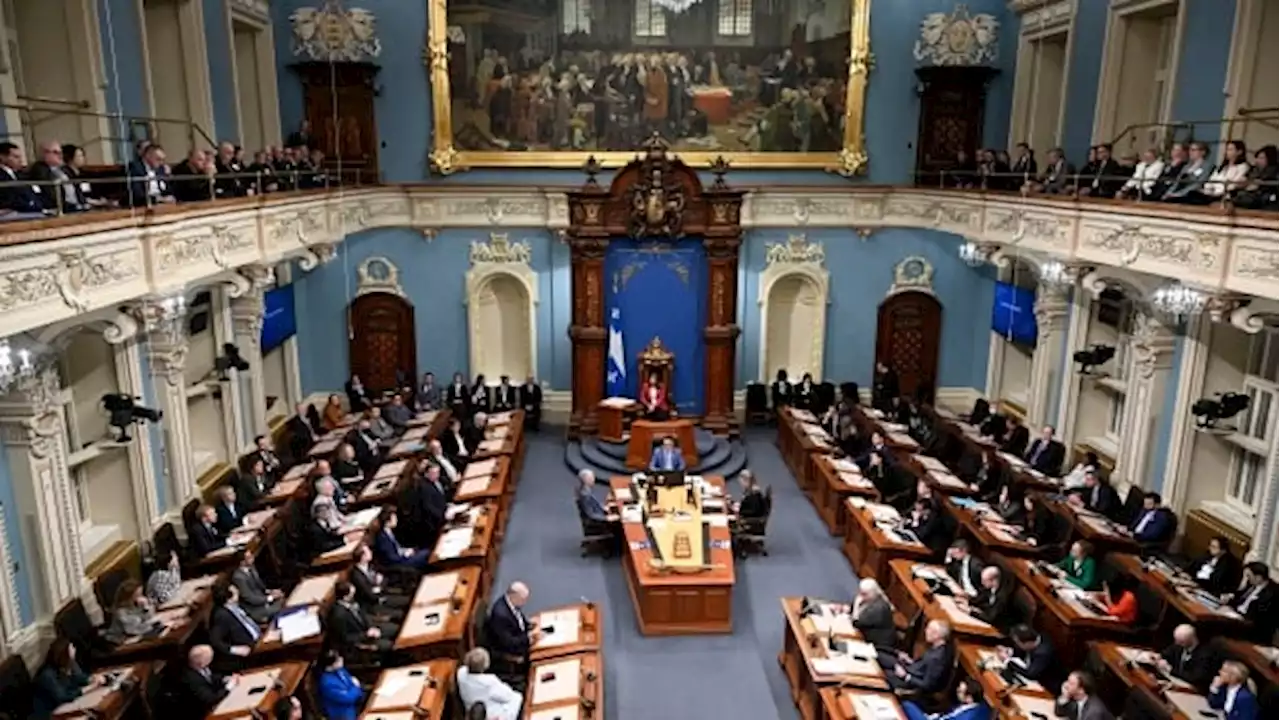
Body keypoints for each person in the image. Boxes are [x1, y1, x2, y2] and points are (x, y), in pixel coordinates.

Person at [879, 619, 953, 692]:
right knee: (884, 655)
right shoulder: (937, 647)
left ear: (937, 635)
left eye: (929, 629)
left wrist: (905, 676)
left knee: (882, 672)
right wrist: (910, 661)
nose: (925, 631)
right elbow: (924, 665)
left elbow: (927, 685)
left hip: (910, 682)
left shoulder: (937, 658)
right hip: (910, 669)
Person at [31, 637, 96, 719]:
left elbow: (78, 677)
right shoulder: (47, 675)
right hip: (49, 714)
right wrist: (88, 689)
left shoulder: (67, 664)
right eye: (72, 649)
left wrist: (91, 679)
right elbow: (63, 697)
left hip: (62, 706)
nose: (75, 650)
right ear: (64, 655)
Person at [485, 582, 536, 684]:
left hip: (519, 637)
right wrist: (528, 638)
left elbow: (518, 619)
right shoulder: (500, 615)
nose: (525, 602)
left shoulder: (509, 602)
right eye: (523, 599)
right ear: (513, 596)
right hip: (510, 652)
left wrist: (529, 625)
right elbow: (509, 642)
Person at [328, 580, 394, 654]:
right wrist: (366, 635)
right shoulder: (338, 615)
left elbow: (363, 615)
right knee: (391, 645)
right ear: (345, 597)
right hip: (360, 641)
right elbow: (345, 638)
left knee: (394, 629)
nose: (354, 595)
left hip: (368, 629)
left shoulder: (351, 602)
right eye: (352, 594)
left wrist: (371, 627)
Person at [457, 647, 523, 720]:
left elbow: (464, 668)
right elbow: (507, 696)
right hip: (490, 714)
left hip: (471, 708)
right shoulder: (489, 682)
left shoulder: (461, 673)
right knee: (518, 698)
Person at [208, 584, 262, 668]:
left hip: (259, 638)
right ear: (228, 599)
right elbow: (215, 641)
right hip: (248, 652)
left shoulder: (234, 606)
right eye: (235, 592)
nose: (238, 592)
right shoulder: (221, 616)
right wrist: (234, 649)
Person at [1224, 561, 1278, 644]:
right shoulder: (1251, 585)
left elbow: (1260, 618)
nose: (1247, 578)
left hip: (1252, 628)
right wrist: (1229, 603)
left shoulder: (1272, 593)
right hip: (1237, 618)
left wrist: (1239, 617)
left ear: (1258, 577)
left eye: (1249, 576)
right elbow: (1239, 600)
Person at [352, 542, 409, 620]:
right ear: (362, 557)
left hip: (384, 595)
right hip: (374, 605)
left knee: (408, 600)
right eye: (368, 551)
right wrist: (379, 584)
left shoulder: (371, 565)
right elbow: (370, 594)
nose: (371, 552)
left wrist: (379, 585)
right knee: (402, 613)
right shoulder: (357, 576)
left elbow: (384, 578)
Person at [1155, 624, 1219, 692]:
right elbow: (1167, 653)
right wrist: (1159, 656)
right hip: (1174, 680)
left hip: (1192, 688)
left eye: (1181, 642)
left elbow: (1194, 677)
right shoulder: (1179, 644)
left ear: (1192, 639)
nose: (1177, 643)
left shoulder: (1205, 655)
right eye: (1176, 640)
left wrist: (1171, 669)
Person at [230, 549, 284, 624]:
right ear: (242, 562)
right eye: (249, 557)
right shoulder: (238, 578)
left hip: (262, 598)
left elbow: (260, 586)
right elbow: (250, 598)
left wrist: (270, 591)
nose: (253, 558)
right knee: (280, 607)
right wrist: (270, 598)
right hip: (254, 608)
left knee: (282, 597)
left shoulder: (252, 567)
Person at [178, 645, 236, 713]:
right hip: (204, 711)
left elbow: (211, 677)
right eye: (209, 659)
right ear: (201, 664)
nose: (211, 660)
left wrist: (224, 679)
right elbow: (211, 699)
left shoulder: (199, 665)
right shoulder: (192, 680)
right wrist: (228, 688)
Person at [904, 677, 988, 720]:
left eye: (960, 691)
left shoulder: (965, 717)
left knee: (907, 705)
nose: (956, 691)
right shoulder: (979, 705)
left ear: (969, 698)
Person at [848, 578, 895, 650]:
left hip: (878, 647)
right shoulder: (870, 598)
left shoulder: (879, 608)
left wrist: (856, 605)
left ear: (873, 593)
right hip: (865, 637)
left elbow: (856, 623)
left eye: (864, 594)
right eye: (861, 593)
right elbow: (853, 611)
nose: (861, 596)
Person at [317, 650, 365, 720]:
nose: (341, 659)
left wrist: (354, 690)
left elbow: (351, 682)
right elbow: (348, 698)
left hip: (356, 703)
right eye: (338, 659)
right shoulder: (327, 683)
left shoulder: (341, 670)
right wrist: (356, 687)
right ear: (332, 664)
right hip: (343, 713)